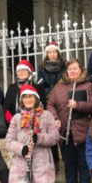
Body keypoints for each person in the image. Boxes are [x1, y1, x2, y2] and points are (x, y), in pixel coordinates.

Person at [47, 58, 92, 183]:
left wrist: (78, 105)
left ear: (81, 70)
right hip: (65, 134)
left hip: (83, 134)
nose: (73, 71)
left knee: (83, 165)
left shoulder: (89, 86)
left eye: (75, 68)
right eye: (70, 69)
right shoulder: (59, 88)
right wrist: (55, 118)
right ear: (66, 72)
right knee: (69, 166)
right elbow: (50, 105)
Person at [5, 84, 60, 183]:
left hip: (42, 166)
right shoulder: (17, 118)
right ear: (21, 100)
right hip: (22, 167)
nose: (28, 100)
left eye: (31, 97)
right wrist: (22, 149)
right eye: (25, 97)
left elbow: (55, 137)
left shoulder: (46, 116)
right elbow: (8, 141)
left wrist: (39, 138)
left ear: (36, 99)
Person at [36, 41, 66, 173]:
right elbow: (40, 86)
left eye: (54, 52)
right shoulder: (41, 68)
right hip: (49, 102)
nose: (52, 54)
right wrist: (49, 93)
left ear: (58, 53)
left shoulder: (65, 66)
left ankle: (66, 158)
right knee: (51, 130)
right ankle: (55, 160)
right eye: (49, 52)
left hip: (62, 101)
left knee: (63, 129)